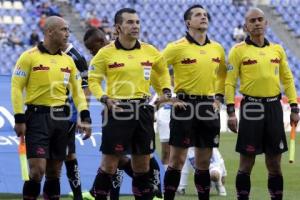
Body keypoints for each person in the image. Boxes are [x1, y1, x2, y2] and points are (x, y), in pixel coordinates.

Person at [88, 8, 171, 200]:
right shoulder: (105, 53)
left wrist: (165, 90)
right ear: (118, 27)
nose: (135, 26)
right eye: (130, 22)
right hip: (117, 111)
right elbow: (93, 81)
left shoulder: (150, 51)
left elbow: (163, 71)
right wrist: (104, 99)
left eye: (137, 22)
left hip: (143, 111)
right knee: (109, 165)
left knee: (142, 166)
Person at [11, 16, 92, 200]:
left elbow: (78, 92)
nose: (67, 34)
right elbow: (16, 88)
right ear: (49, 32)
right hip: (37, 118)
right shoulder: (29, 56)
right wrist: (19, 118)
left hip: (61, 119)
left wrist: (85, 117)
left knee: (54, 172)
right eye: (63, 30)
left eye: (68, 30)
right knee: (37, 171)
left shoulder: (69, 61)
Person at [225, 8, 299, 200]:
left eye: (260, 20)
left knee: (274, 163)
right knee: (246, 162)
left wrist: (294, 107)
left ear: (266, 23)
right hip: (251, 108)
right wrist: (231, 112)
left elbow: (288, 79)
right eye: (252, 20)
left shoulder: (277, 49)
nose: (257, 23)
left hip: (274, 106)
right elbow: (230, 82)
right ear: (245, 26)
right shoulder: (237, 51)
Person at [162, 4, 227, 200]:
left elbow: (224, 75)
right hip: (184, 106)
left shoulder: (217, 48)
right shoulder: (175, 47)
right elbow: (157, 69)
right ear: (188, 22)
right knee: (177, 160)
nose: (203, 17)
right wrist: (168, 96)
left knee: (204, 163)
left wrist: (219, 98)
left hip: (208, 107)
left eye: (205, 14)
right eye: (198, 15)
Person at [61, 41, 90, 200]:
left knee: (68, 155)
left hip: (68, 114)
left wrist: (81, 115)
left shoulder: (76, 58)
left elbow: (86, 88)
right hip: (51, 112)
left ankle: (78, 195)